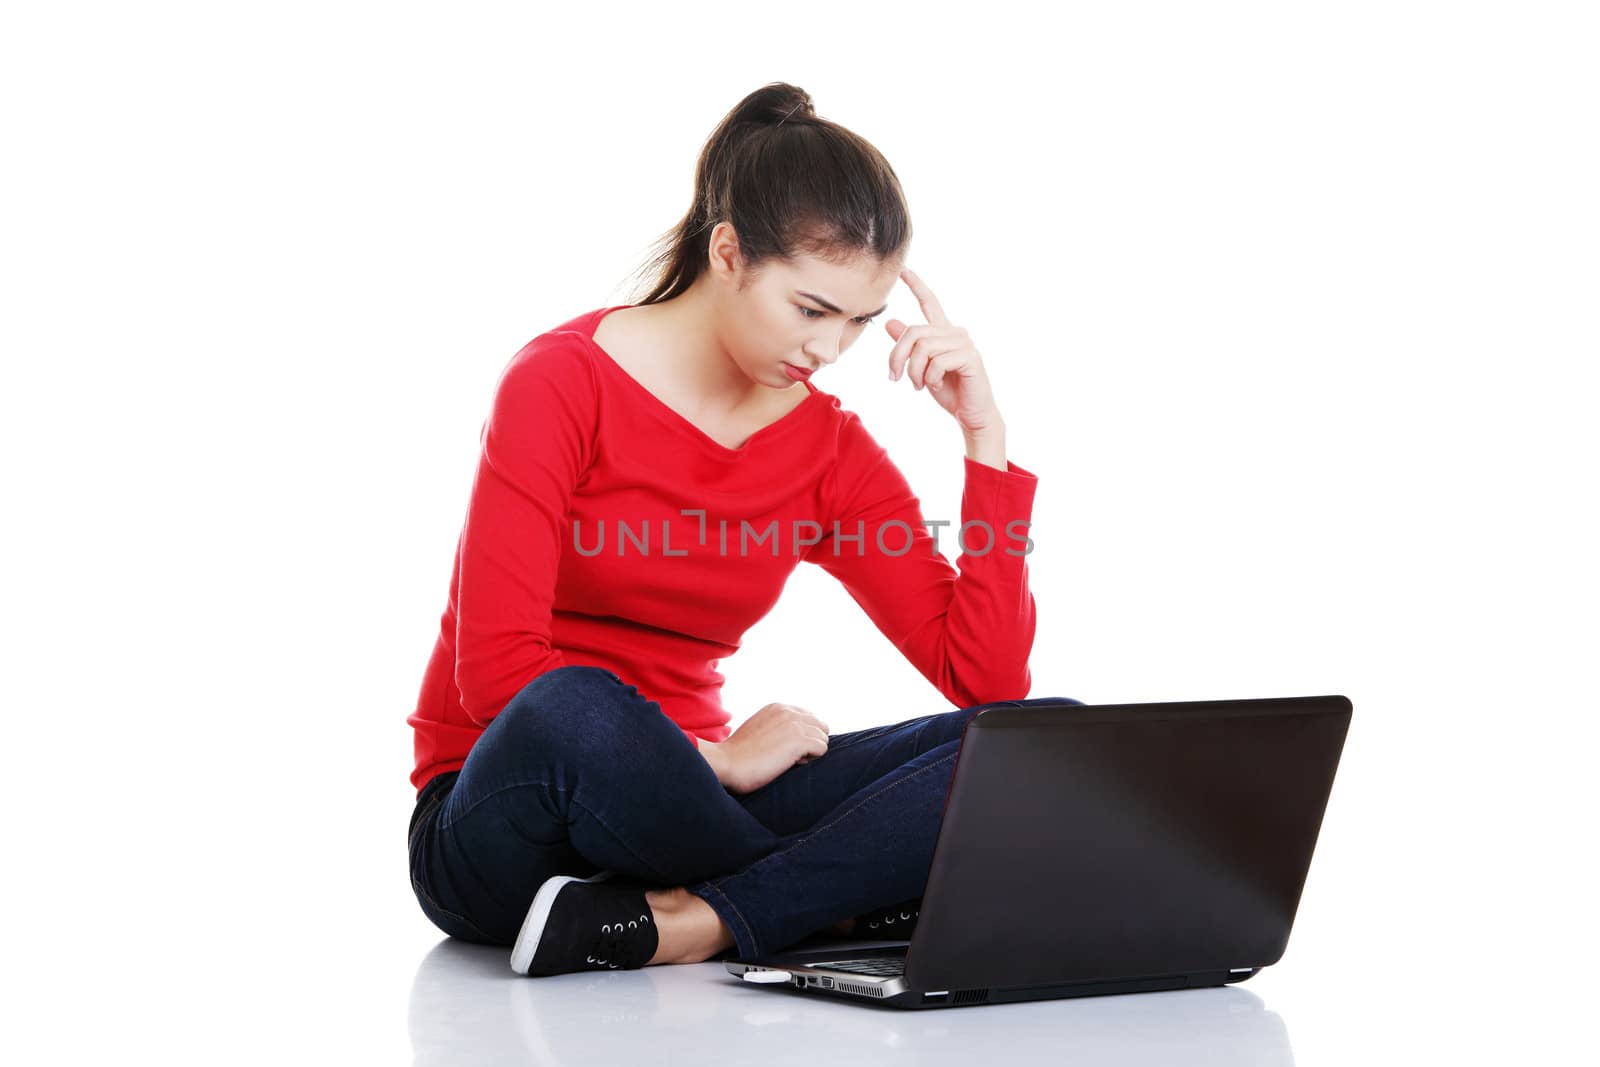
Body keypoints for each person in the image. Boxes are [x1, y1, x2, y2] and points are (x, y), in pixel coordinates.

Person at [405, 81, 1082, 978]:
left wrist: (985, 444)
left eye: (858, 322)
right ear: (728, 251)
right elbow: (497, 680)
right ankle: (824, 892)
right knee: (573, 705)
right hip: (508, 816)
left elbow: (986, 676)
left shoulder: (827, 450)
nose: (830, 349)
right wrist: (716, 758)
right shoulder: (559, 383)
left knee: (1041, 739)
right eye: (811, 309)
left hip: (697, 817)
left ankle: (700, 919)